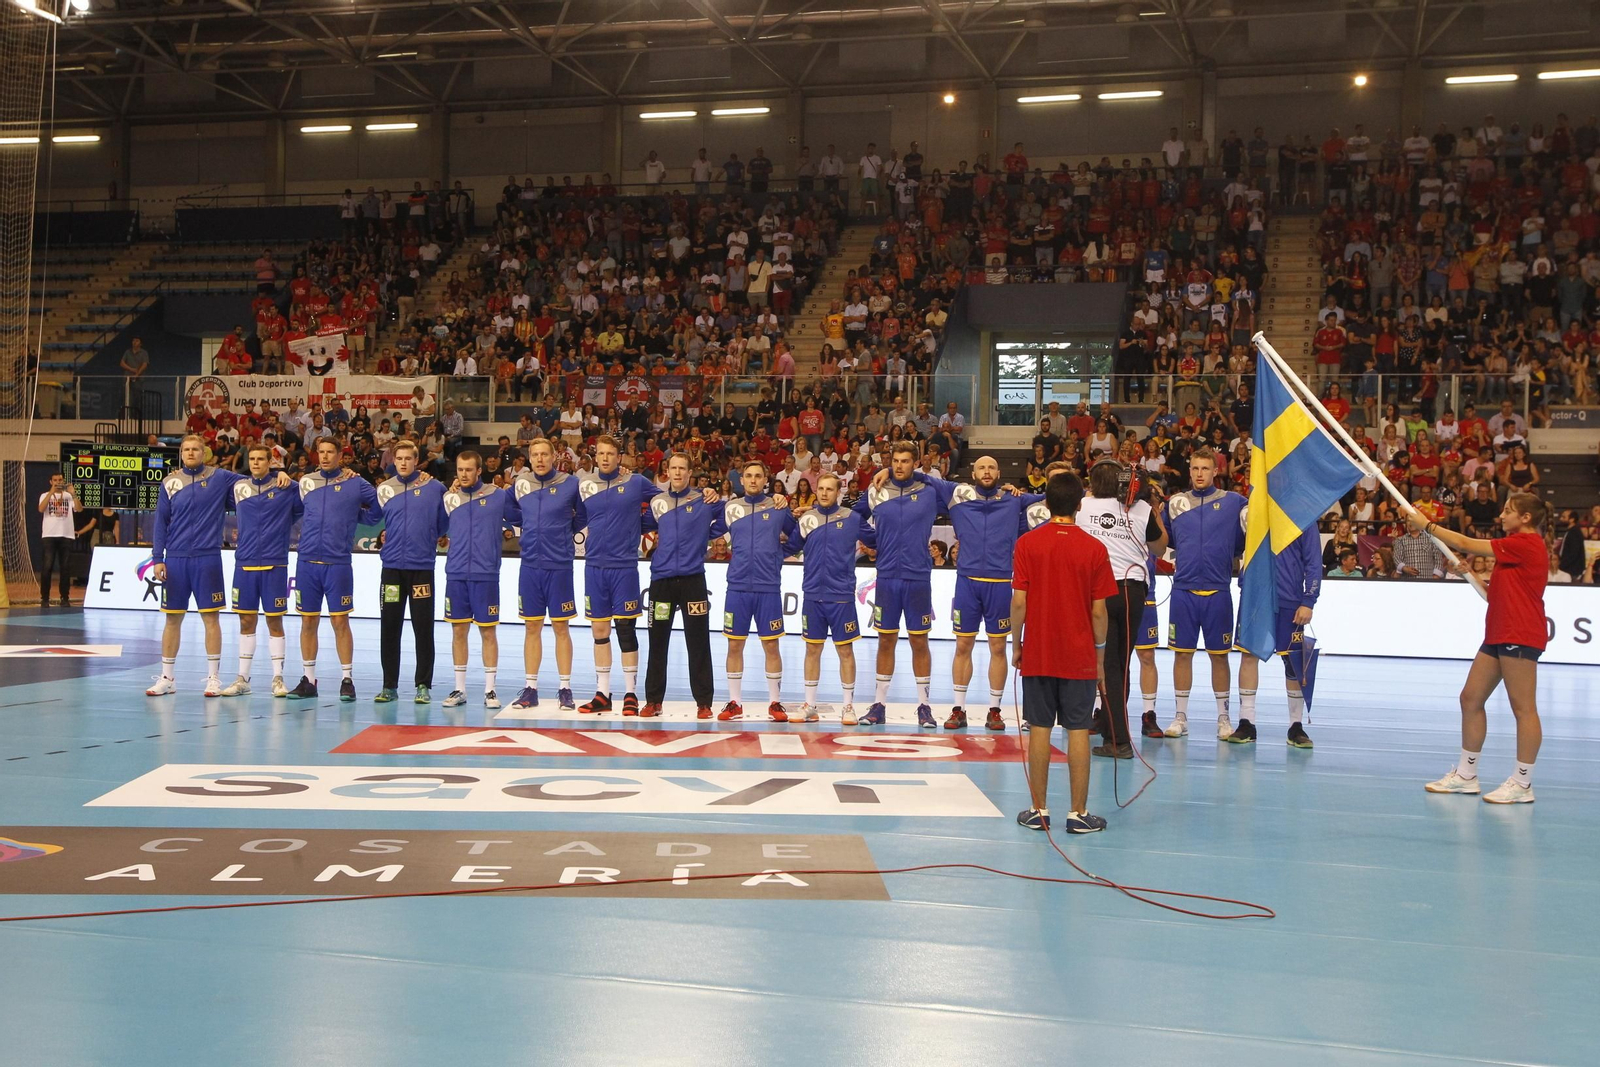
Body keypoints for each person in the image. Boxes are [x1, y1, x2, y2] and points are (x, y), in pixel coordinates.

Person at [1410, 493, 1548, 804]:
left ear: (1526, 518)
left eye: (1509, 510)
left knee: (1523, 708)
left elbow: (1467, 542)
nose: (1502, 514)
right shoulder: (1513, 548)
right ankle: (1465, 776)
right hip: (1498, 632)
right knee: (1470, 698)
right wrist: (1468, 574)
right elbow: (1492, 597)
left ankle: (1522, 783)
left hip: (1520, 633)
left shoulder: (1526, 543)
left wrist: (1427, 526)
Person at [147, 434, 289, 697]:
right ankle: (167, 677)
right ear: (181, 453)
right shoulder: (169, 482)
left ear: (205, 453)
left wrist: (283, 475)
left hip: (207, 558)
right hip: (176, 559)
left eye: (195, 449)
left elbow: (257, 480)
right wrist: (158, 558)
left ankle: (213, 678)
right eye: (186, 449)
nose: (190, 453)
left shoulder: (221, 478)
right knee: (172, 619)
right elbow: (160, 522)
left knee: (211, 618)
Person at [1013, 471, 1115, 834]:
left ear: (1045, 504)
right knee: (1077, 729)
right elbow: (1099, 611)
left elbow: (1019, 601)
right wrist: (1099, 655)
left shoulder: (1027, 544)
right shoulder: (1094, 548)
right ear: (1080, 504)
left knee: (1039, 729)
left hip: (1038, 653)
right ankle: (1078, 813)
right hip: (1079, 655)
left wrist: (1017, 643)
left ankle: (1038, 811)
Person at [859, 441, 957, 727]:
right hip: (887, 577)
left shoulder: (929, 491)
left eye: (904, 461)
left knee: (919, 641)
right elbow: (854, 516)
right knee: (885, 640)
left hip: (918, 578)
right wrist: (875, 541)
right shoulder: (876, 491)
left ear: (915, 462)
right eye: (895, 461)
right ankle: (879, 704)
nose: (899, 465)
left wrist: (913, 474)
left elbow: (956, 491)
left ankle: (924, 706)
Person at [943, 455, 1042, 732]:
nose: (986, 472)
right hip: (967, 583)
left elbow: (1054, 496)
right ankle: (958, 709)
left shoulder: (1015, 500)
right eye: (981, 468)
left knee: (998, 648)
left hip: (999, 584)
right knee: (963, 646)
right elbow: (924, 480)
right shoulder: (958, 498)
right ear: (972, 474)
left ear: (1000, 473)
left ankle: (994, 710)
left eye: (991, 467)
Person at [1075, 458, 1167, 757]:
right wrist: (1155, 511)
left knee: (1107, 665)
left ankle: (1118, 739)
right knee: (1121, 664)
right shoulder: (1141, 509)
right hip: (1132, 592)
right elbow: (1160, 547)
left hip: (1099, 592)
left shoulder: (1084, 507)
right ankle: (1108, 723)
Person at [1157, 448, 1247, 740]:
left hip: (1218, 592)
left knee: (1219, 657)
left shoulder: (1235, 502)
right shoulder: (1175, 503)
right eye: (1194, 468)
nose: (1199, 474)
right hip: (1183, 591)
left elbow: (1253, 531)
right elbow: (1160, 538)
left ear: (1215, 471)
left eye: (1205, 469)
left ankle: (1223, 717)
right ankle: (1180, 716)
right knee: (1181, 655)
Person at [286, 438, 382, 702]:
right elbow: (292, 508)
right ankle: (308, 679)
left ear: (341, 455)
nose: (325, 456)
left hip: (337, 563)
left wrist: (355, 516)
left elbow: (377, 507)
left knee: (340, 621)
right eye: (321, 452)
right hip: (307, 563)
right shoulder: (306, 482)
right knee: (308, 621)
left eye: (331, 452)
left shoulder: (356, 482)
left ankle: (347, 679)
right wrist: (282, 474)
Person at [575, 436, 663, 714]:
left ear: (619, 456)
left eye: (610, 453)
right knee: (599, 631)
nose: (605, 458)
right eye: (600, 453)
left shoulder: (635, 482)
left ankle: (630, 693)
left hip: (624, 567)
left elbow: (663, 500)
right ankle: (602, 693)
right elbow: (574, 515)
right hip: (594, 567)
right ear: (595, 456)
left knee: (625, 629)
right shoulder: (585, 484)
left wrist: (640, 523)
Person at [642, 453, 728, 718]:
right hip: (662, 582)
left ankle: (704, 703)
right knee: (658, 641)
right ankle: (653, 701)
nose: (677, 473)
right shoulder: (657, 502)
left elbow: (729, 517)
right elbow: (640, 525)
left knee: (698, 641)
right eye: (673, 468)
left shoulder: (705, 499)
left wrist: (707, 533)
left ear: (690, 472)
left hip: (693, 581)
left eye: (682, 468)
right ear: (666, 471)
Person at [505, 438, 587, 711]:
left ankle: (565, 688)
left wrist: (565, 531)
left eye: (544, 454)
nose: (540, 459)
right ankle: (531, 689)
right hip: (529, 565)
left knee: (561, 627)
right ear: (529, 458)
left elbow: (583, 515)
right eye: (535, 455)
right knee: (532, 627)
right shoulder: (521, 484)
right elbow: (506, 508)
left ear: (554, 457)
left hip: (560, 565)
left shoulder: (570, 483)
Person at [219, 445, 303, 697]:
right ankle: (242, 678)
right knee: (245, 620)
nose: (255, 463)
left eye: (260, 459)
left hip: (274, 562)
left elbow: (300, 507)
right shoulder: (238, 487)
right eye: (252, 459)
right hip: (244, 562)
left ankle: (278, 678)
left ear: (270, 462)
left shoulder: (286, 487)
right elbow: (208, 482)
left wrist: (289, 478)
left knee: (274, 620)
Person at [718, 463, 800, 722]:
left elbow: (797, 536)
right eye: (748, 476)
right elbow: (710, 531)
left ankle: (775, 702)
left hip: (767, 588)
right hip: (738, 587)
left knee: (771, 645)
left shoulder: (778, 507)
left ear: (766, 479)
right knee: (734, 645)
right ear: (741, 479)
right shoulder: (731, 507)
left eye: (758, 476)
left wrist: (778, 556)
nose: (753, 480)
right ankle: (735, 702)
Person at [794, 472, 875, 724]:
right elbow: (789, 544)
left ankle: (848, 706)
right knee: (812, 649)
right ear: (816, 490)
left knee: (845, 651)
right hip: (812, 594)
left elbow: (877, 539)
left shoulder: (852, 518)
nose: (825, 493)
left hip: (841, 596)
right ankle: (809, 705)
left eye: (830, 489)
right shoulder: (807, 518)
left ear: (838, 492)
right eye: (821, 488)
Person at [1231, 526, 1319, 748]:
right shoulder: (1252, 509)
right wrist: (1243, 582)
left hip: (1289, 599)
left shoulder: (1303, 514)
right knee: (1249, 656)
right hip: (1255, 597)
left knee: (1293, 662)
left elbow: (1313, 560)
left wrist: (1308, 600)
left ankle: (1296, 726)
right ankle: (1246, 721)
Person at [373, 439, 447, 704]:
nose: (403, 463)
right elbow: (377, 519)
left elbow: (443, 523)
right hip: (391, 569)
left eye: (408, 458)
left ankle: (422, 685)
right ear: (393, 460)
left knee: (423, 629)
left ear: (417, 461)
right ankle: (389, 686)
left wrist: (427, 538)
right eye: (399, 458)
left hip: (421, 569)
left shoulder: (434, 487)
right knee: (389, 628)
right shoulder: (383, 489)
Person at [440, 451, 509, 709]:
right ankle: (459, 689)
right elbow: (437, 527)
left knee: (488, 632)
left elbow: (516, 517)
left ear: (479, 470)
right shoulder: (449, 499)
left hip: (486, 575)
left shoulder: (497, 495)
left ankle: (490, 690)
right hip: (456, 574)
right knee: (458, 631)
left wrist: (508, 529)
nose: (464, 474)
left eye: (469, 470)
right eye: (460, 470)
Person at [37, 472, 81, 608]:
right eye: (55, 480)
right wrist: (51, 492)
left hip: (65, 535)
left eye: (60, 480)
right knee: (47, 567)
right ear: (51, 482)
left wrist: (73, 493)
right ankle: (45, 598)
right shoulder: (45, 495)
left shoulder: (68, 496)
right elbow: (41, 509)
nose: (57, 482)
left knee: (65, 568)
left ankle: (65, 597)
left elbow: (79, 509)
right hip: (49, 535)